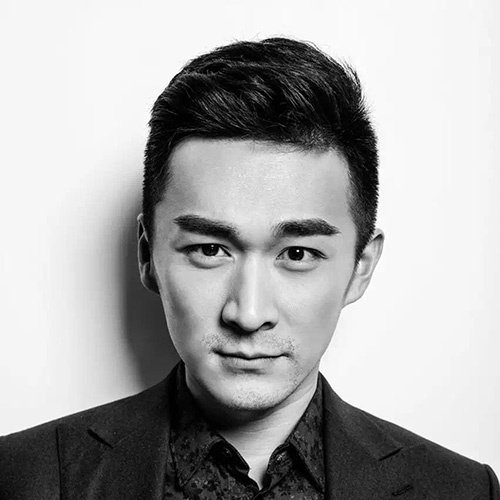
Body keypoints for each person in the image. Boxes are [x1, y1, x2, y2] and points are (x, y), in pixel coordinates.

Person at [0, 37, 498, 500]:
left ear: (360, 267)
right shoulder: (19, 476)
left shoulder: (464, 491)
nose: (249, 313)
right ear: (147, 255)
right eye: (210, 249)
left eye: (297, 254)